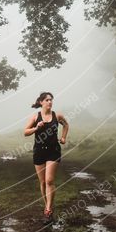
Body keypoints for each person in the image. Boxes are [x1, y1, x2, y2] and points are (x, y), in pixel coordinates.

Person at [24, 92, 69, 220]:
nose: (50, 102)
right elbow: (25, 132)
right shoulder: (35, 117)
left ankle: (48, 210)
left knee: (49, 180)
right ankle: (47, 206)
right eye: (47, 100)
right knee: (43, 182)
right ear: (41, 102)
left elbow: (66, 125)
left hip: (53, 151)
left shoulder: (57, 115)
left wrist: (64, 137)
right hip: (39, 151)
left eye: (51, 100)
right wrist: (36, 128)